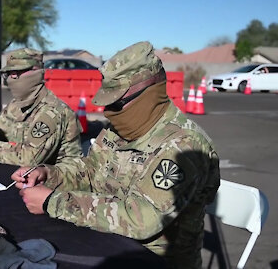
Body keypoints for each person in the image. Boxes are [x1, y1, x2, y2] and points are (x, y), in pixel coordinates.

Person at [11, 41, 220, 268]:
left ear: (149, 92)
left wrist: (54, 202)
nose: (110, 112)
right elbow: (89, 171)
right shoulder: (123, 128)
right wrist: (48, 175)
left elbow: (142, 219)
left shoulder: (184, 146)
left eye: (118, 102)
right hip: (106, 242)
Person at [0, 48, 83, 167]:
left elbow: (29, 158)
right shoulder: (16, 105)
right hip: (23, 174)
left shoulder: (52, 112)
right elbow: (0, 131)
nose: (13, 79)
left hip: (59, 180)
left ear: (36, 71)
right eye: (10, 74)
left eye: (18, 72)